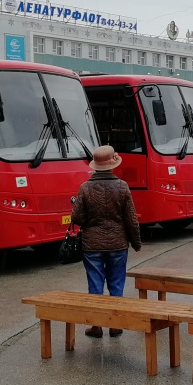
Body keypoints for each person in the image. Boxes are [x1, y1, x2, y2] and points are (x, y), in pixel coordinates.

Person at [70, 145, 142, 338]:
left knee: (95, 284)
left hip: (92, 245)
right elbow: (131, 220)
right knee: (116, 284)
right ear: (113, 164)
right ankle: (115, 325)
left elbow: (76, 217)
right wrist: (136, 243)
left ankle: (96, 326)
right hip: (118, 244)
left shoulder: (84, 188)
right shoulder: (122, 186)